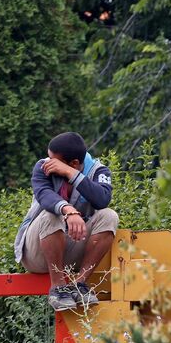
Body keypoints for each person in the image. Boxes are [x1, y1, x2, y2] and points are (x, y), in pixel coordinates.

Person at [13, 132, 119, 311]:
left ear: (74, 163)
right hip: (36, 253)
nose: (49, 161)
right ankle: (58, 287)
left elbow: (102, 199)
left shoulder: (98, 171)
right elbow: (45, 196)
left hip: (70, 251)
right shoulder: (42, 167)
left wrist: (72, 174)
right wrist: (68, 210)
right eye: (49, 156)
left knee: (109, 216)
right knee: (51, 214)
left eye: (55, 159)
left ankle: (80, 285)